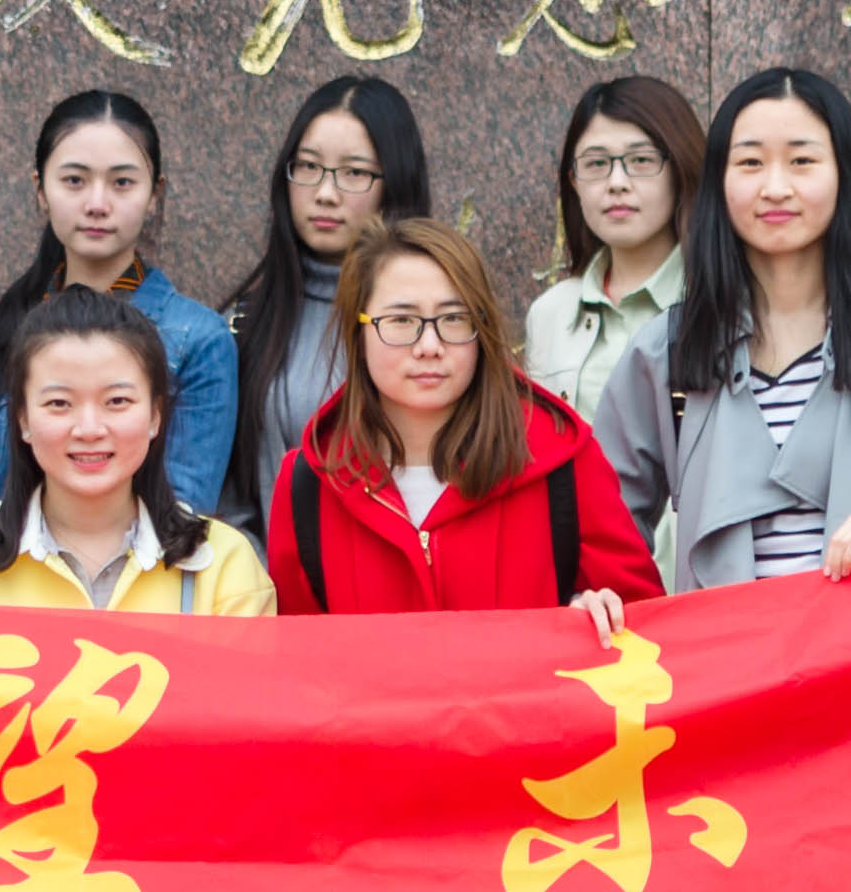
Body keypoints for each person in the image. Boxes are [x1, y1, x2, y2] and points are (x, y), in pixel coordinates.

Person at [589, 65, 851, 587]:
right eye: (750, 162)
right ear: (719, 181)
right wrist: (606, 598)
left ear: (844, 174)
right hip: (727, 639)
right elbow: (603, 530)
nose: (776, 187)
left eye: (802, 161)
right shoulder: (667, 350)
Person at [260, 219, 658, 626]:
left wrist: (598, 610)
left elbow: (649, 626)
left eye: (453, 319)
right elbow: (297, 652)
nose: (429, 346)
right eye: (401, 320)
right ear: (358, 332)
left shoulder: (562, 461)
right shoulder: (310, 482)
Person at [0, 90, 242, 541]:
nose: (97, 203)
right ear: (40, 190)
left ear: (154, 195)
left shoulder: (199, 340)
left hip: (134, 579)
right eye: (74, 180)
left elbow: (182, 505)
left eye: (122, 183)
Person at [0, 291, 276, 616]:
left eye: (117, 401)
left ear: (155, 415)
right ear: (22, 419)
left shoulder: (225, 566)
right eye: (59, 403)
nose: (89, 429)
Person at [222, 75, 431, 530]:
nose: (325, 193)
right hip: (275, 571)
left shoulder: (435, 325)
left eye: (354, 173)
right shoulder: (245, 324)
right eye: (308, 167)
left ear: (395, 182)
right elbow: (229, 501)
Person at [520, 72, 705, 417]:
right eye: (596, 164)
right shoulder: (550, 314)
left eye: (641, 161)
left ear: (680, 170)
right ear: (574, 182)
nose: (617, 183)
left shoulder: (720, 303)